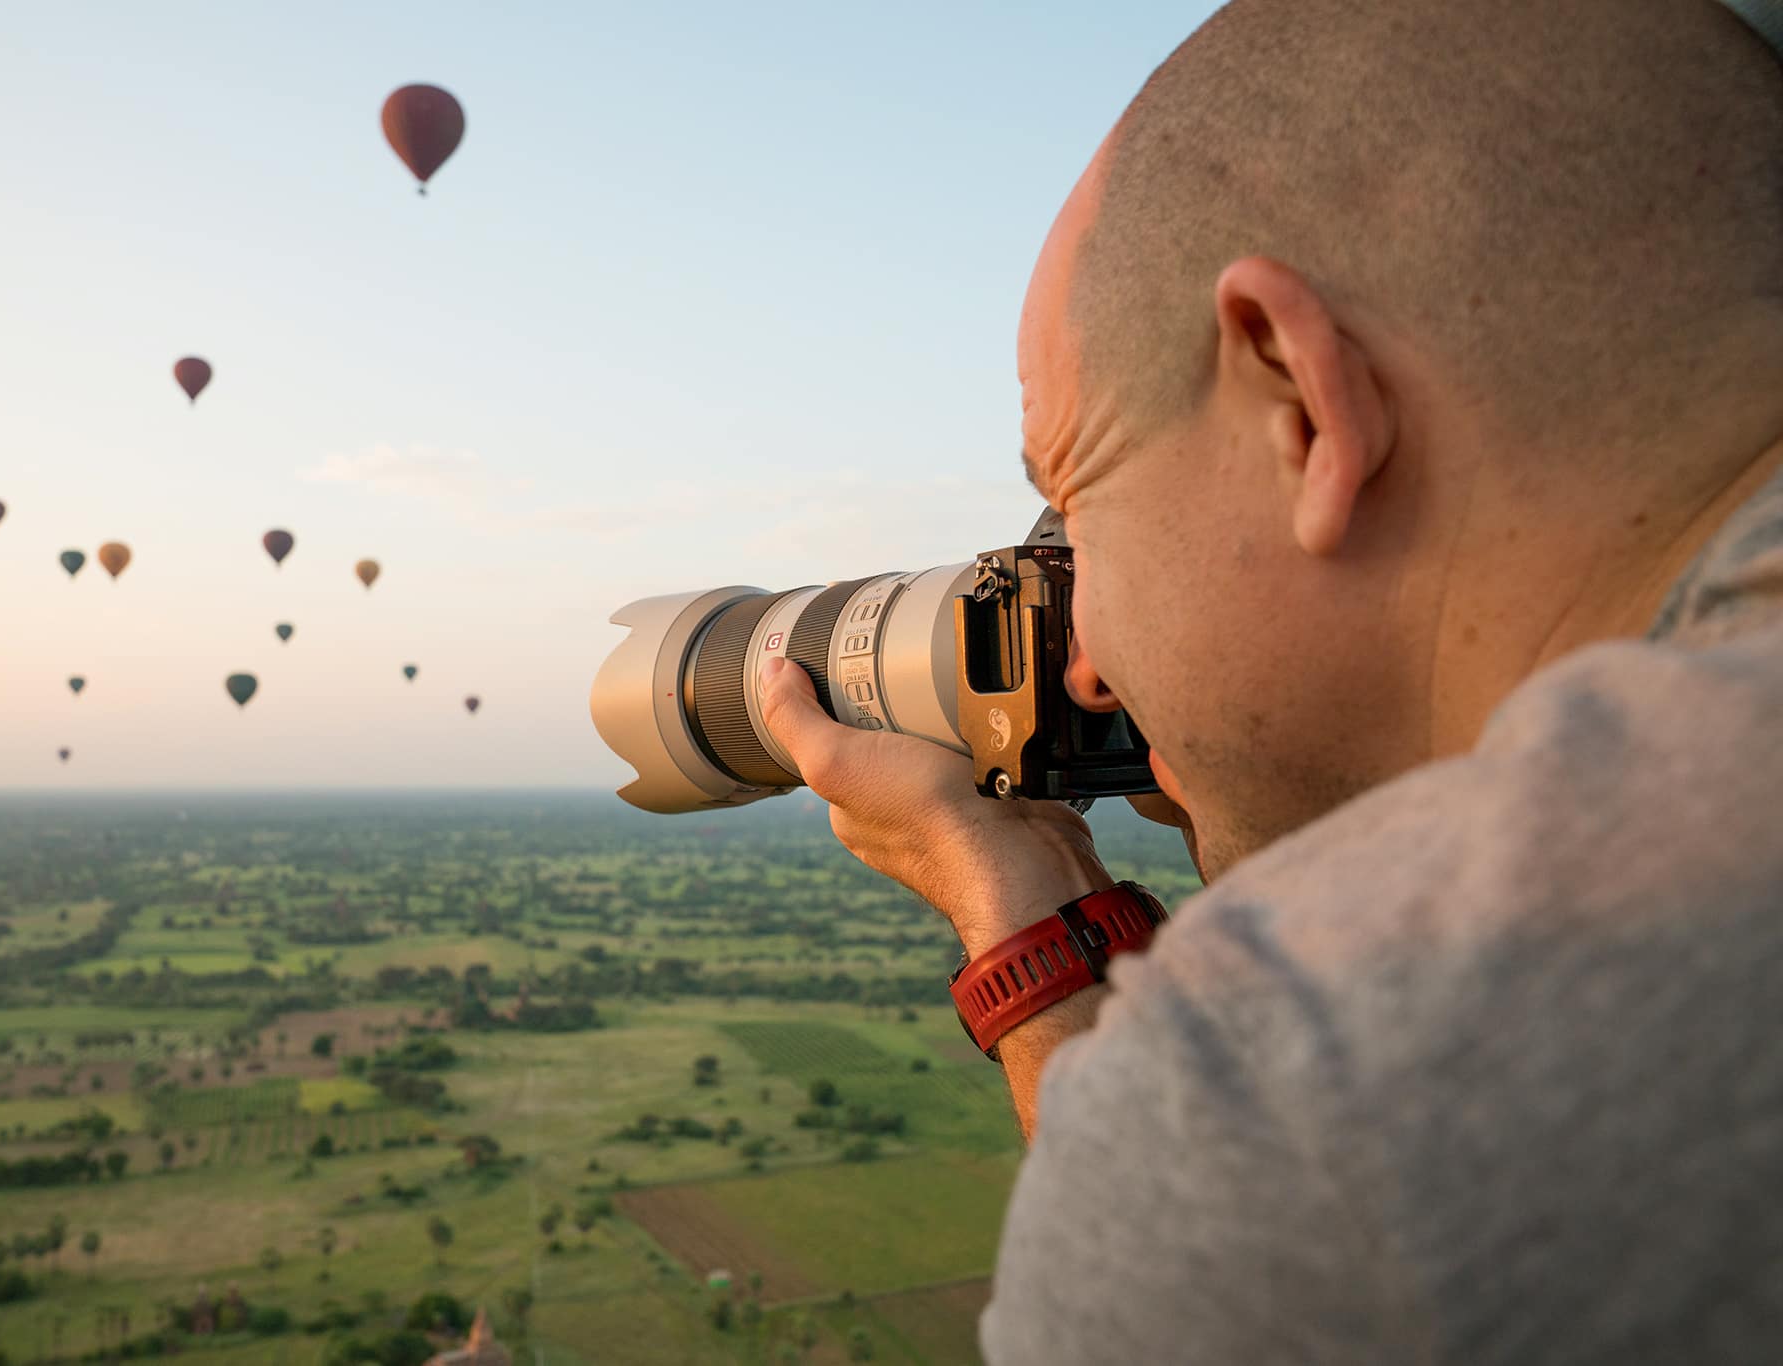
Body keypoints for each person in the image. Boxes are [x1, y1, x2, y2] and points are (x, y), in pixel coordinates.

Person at [757, 0, 1783, 1359]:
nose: (1082, 659)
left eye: (1074, 502)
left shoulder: (1342, 1077)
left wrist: (1035, 956)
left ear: (1301, 401)